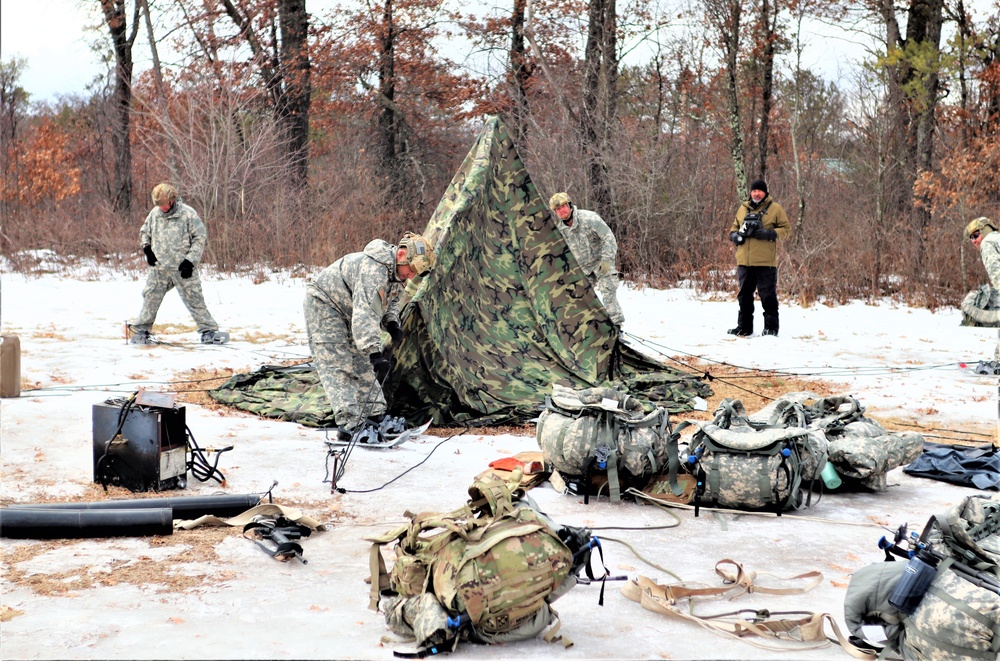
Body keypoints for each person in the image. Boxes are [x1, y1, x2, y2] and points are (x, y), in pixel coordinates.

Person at [304, 233, 435, 439]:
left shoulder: (396, 274)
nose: (411, 276)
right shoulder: (374, 270)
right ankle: (350, 424)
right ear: (401, 255)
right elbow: (366, 312)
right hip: (324, 305)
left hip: (350, 310)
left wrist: (392, 322)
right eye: (412, 270)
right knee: (339, 364)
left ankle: (375, 416)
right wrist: (374, 352)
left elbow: (389, 303)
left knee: (363, 363)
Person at [129, 183, 226, 345]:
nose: (161, 208)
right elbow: (144, 232)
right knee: (151, 296)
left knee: (194, 299)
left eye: (163, 204)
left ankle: (208, 331)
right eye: (158, 205)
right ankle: (142, 331)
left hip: (183, 267)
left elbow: (200, 237)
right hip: (160, 268)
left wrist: (190, 260)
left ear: (172, 200)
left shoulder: (187, 214)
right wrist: (147, 249)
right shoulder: (155, 214)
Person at [548, 192, 625, 326]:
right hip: (583, 268)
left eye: (563, 207)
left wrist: (606, 260)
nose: (561, 211)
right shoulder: (560, 231)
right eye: (557, 209)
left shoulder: (589, 218)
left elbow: (609, 238)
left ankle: (617, 326)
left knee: (607, 291)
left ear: (569, 205)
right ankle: (593, 330)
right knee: (580, 299)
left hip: (601, 261)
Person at [727, 178, 791, 337]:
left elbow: (786, 229)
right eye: (754, 190)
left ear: (765, 192)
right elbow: (733, 229)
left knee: (768, 296)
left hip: (765, 262)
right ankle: (744, 328)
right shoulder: (743, 208)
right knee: (744, 297)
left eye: (760, 191)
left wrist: (770, 234)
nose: (757, 193)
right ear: (750, 192)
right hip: (744, 261)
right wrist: (735, 237)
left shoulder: (775, 209)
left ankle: (770, 329)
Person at [963, 217, 1000, 367]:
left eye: (976, 235)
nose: (974, 241)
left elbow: (997, 273)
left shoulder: (988, 243)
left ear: (985, 231)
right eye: (971, 238)